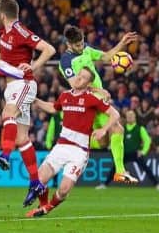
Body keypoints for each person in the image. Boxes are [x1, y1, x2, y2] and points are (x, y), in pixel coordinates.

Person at [0, 0, 56, 210]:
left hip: (23, 84)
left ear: (1, 14)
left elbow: (49, 49)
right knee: (22, 138)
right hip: (12, 87)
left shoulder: (20, 31)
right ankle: (35, 183)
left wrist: (33, 65)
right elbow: (0, 51)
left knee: (7, 114)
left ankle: (5, 155)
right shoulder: (4, 32)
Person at [23, 67, 120, 216]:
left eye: (83, 77)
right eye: (78, 75)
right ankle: (42, 205)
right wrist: (35, 100)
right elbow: (53, 108)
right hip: (61, 147)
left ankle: (48, 208)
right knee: (40, 178)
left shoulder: (91, 98)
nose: (78, 78)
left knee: (63, 190)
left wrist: (104, 129)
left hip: (79, 151)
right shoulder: (65, 96)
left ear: (88, 83)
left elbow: (115, 114)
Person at [59, 25, 138, 184]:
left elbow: (106, 57)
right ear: (69, 45)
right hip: (84, 100)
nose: (81, 47)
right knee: (115, 129)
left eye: (82, 43)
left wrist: (122, 43)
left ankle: (120, 172)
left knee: (108, 136)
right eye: (77, 45)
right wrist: (99, 90)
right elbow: (75, 84)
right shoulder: (66, 61)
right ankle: (76, 141)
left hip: (97, 99)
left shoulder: (86, 49)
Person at [97, 110, 159, 190]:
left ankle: (157, 184)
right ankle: (105, 184)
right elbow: (117, 140)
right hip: (124, 153)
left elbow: (147, 140)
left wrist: (143, 151)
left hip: (135, 153)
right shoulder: (122, 129)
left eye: (131, 116)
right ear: (126, 118)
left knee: (146, 168)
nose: (130, 117)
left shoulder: (139, 128)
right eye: (128, 116)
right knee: (115, 168)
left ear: (135, 117)